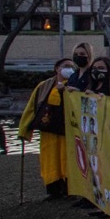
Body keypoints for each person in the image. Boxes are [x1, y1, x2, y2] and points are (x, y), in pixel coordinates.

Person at [18, 58, 75, 198]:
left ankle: (69, 189)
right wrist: (24, 129)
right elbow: (32, 107)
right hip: (48, 129)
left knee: (67, 158)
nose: (69, 69)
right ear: (57, 68)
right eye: (66, 66)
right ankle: (53, 189)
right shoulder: (44, 86)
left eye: (72, 67)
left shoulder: (74, 85)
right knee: (50, 159)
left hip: (66, 130)